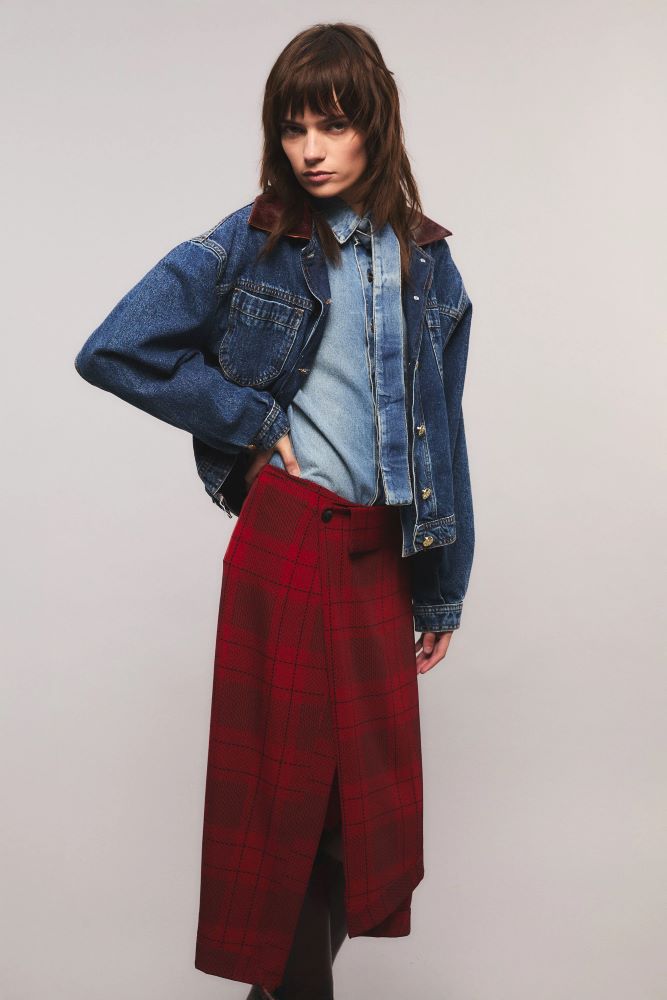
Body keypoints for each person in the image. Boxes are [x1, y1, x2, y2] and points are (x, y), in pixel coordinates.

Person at [74, 21, 475, 1000]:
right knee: (281, 811)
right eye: (293, 128)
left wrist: (442, 586)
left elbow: (444, 436)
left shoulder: (431, 266)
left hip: (379, 556)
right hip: (288, 540)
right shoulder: (252, 243)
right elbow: (114, 348)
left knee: (351, 822)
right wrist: (248, 419)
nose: (310, 150)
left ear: (375, 124)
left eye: (332, 125)